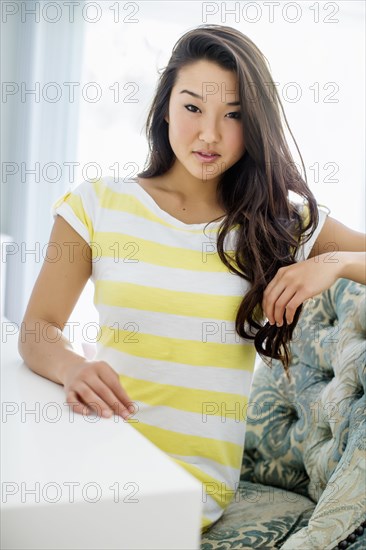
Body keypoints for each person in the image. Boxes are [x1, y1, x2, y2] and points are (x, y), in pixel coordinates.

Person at [18, 24, 366, 533]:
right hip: (95, 448)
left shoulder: (277, 223)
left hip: (186, 484)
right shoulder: (96, 204)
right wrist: (72, 367)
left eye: (233, 116)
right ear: (164, 108)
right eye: (192, 108)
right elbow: (37, 331)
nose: (209, 134)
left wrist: (332, 262)